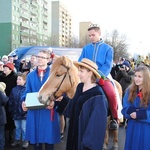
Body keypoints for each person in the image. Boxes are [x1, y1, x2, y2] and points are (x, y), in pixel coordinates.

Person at [78, 23, 123, 122]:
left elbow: (107, 65)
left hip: (103, 75)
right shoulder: (86, 48)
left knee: (111, 93)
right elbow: (80, 61)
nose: (91, 37)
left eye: (93, 35)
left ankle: (114, 118)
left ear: (99, 34)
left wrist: (98, 75)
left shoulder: (108, 48)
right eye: (89, 35)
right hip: (86, 75)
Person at [62, 58, 108, 150]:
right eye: (79, 71)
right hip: (74, 132)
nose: (78, 74)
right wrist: (61, 100)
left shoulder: (98, 95)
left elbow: (96, 125)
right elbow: (73, 105)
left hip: (84, 138)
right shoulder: (80, 87)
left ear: (90, 73)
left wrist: (87, 143)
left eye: (81, 71)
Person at [22, 50, 60, 150]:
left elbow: (60, 92)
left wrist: (54, 101)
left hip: (48, 111)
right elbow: (27, 91)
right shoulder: (30, 76)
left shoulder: (54, 75)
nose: (39, 59)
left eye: (42, 57)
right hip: (34, 112)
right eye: (38, 56)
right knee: (36, 143)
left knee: (49, 142)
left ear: (48, 60)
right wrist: (23, 101)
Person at [121, 66, 150, 150]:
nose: (136, 79)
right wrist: (131, 113)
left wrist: (139, 114)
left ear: (146, 78)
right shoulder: (129, 90)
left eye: (140, 76)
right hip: (132, 128)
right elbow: (125, 107)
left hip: (145, 129)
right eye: (135, 76)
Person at [8, 72, 28, 148]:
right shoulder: (14, 89)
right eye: (17, 79)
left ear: (24, 81)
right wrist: (11, 110)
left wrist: (25, 111)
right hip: (15, 112)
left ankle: (24, 140)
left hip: (24, 113)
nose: (17, 81)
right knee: (17, 127)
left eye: (20, 79)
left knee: (24, 128)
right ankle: (16, 139)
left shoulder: (26, 90)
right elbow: (11, 100)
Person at [0, 62, 17, 142]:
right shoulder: (1, 77)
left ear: (11, 70)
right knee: (3, 117)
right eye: (4, 68)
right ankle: (4, 134)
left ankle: (11, 134)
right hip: (2, 100)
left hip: (11, 100)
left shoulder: (15, 77)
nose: (4, 70)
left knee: (11, 118)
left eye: (6, 68)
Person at [0, 82, 8, 150]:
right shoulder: (1, 92)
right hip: (1, 117)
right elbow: (5, 101)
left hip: (1, 117)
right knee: (1, 135)